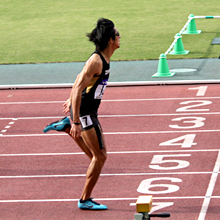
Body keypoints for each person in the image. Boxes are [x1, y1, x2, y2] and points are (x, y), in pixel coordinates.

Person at [43, 18, 121, 210]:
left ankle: (66, 127)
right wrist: (76, 119)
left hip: (87, 110)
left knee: (98, 157)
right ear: (111, 40)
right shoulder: (96, 60)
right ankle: (84, 199)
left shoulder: (103, 59)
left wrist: (71, 101)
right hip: (85, 112)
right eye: (118, 35)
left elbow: (80, 80)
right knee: (100, 157)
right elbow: (79, 86)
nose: (121, 37)